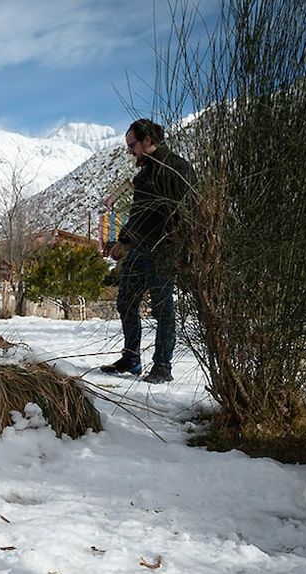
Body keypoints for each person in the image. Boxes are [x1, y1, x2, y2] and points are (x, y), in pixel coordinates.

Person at [101, 118, 196, 384]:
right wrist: (124, 241)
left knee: (162, 308)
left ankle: (162, 367)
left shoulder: (178, 169)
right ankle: (131, 358)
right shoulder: (143, 175)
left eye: (132, 145)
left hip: (165, 249)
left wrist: (183, 248)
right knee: (125, 301)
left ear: (148, 141)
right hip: (140, 249)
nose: (130, 151)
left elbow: (186, 212)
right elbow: (139, 213)